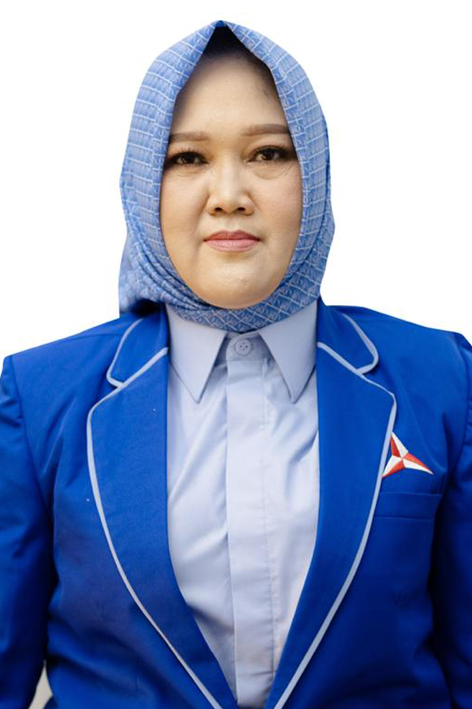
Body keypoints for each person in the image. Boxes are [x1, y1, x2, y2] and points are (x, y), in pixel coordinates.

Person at [0, 18, 471, 709]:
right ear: (143, 183)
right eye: (187, 158)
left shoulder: (442, 380)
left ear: (315, 174)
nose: (228, 193)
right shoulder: (40, 396)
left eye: (269, 153)